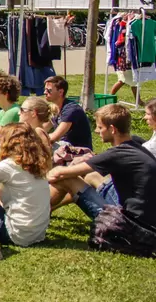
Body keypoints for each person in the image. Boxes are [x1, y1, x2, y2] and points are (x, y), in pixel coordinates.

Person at [48, 105, 156, 254]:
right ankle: (46, 211)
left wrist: (41, 174)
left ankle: (34, 215)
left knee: (67, 179)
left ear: (112, 129)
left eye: (100, 127)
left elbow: (59, 174)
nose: (96, 131)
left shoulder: (117, 154)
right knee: (91, 175)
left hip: (132, 225)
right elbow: (95, 165)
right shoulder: (135, 145)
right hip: (148, 218)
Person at [44, 76, 93, 149]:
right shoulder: (55, 108)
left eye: (49, 90)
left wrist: (37, 140)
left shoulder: (71, 109)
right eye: (45, 89)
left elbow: (54, 137)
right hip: (65, 148)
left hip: (78, 153)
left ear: (60, 92)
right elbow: (43, 128)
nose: (45, 92)